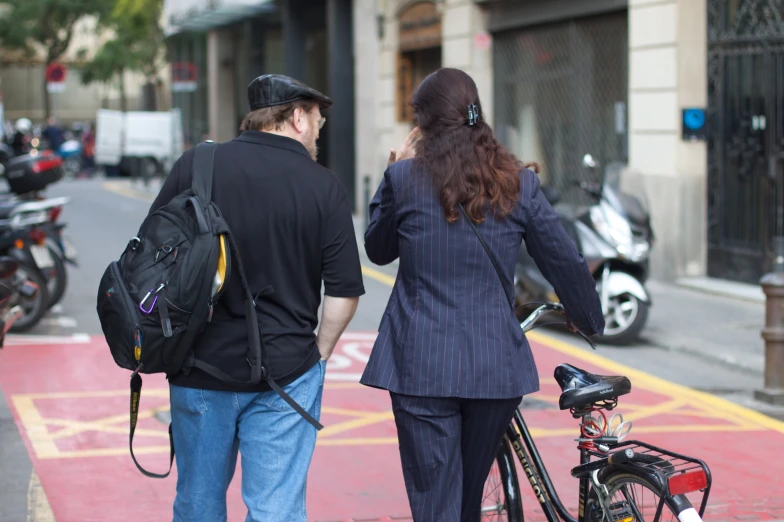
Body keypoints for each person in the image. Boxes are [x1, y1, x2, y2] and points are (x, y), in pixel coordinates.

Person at [360, 68, 604, 521]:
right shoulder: (518, 182)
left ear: (425, 125)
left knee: (437, 503)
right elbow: (564, 260)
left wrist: (392, 170)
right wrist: (587, 319)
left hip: (421, 368)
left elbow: (377, 249)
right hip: (494, 370)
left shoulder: (405, 180)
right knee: (467, 498)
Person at [148, 74, 365, 522]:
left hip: (199, 365)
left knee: (197, 505)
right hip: (287, 371)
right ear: (298, 117)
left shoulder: (197, 165)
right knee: (276, 510)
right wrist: (318, 355)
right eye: (319, 123)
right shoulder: (323, 186)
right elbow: (343, 293)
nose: (319, 135)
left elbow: (150, 256)